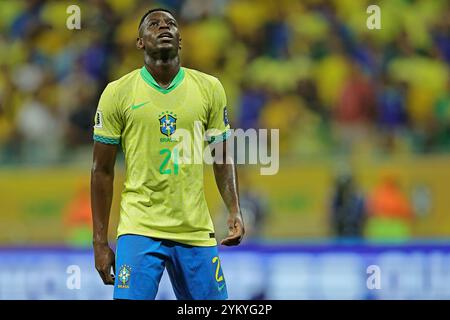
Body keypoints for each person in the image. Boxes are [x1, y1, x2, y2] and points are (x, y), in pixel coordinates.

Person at [90, 8, 244, 300]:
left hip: (194, 229)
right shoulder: (117, 93)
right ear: (139, 42)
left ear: (180, 40)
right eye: (154, 24)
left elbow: (222, 156)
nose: (164, 27)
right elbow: (101, 170)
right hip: (140, 228)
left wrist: (234, 208)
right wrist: (100, 242)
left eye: (171, 24)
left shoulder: (210, 88)